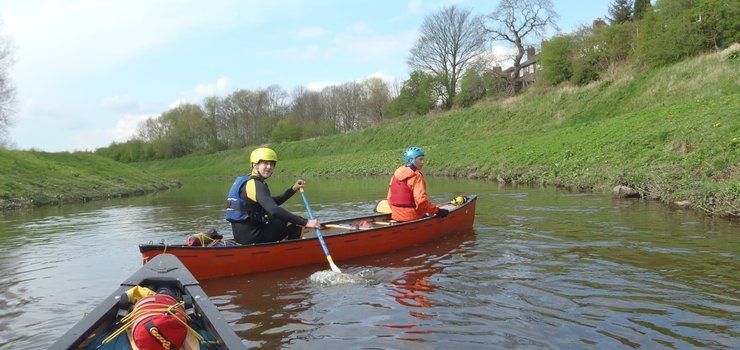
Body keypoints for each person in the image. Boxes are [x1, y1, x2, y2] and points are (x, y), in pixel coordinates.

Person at [226, 147, 320, 244]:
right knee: (295, 223)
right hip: (252, 237)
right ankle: (290, 252)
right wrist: (305, 222)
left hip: (242, 236)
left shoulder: (247, 181)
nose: (269, 167)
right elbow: (273, 209)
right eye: (265, 163)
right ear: (255, 165)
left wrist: (293, 189)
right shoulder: (256, 184)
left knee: (282, 219)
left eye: (272, 164)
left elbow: (272, 202)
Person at [386, 146, 448, 222]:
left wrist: (398, 212)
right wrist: (437, 211)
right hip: (412, 216)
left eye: (423, 159)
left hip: (395, 216)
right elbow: (421, 201)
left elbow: (389, 199)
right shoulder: (416, 176)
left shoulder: (395, 175)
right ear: (411, 160)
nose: (423, 162)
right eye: (420, 159)